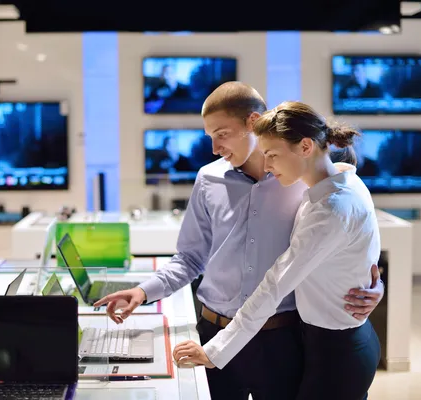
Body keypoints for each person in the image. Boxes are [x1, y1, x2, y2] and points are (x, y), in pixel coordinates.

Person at [94, 82, 384, 400]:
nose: (215, 148)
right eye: (210, 137)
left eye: (222, 134)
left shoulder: (303, 178)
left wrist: (369, 284)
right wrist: (142, 291)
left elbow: (342, 234)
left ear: (252, 122)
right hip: (213, 328)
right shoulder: (208, 178)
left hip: (282, 339)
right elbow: (190, 257)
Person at [172, 101, 382, 400]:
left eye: (271, 155)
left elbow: (275, 284)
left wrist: (214, 352)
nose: (267, 165)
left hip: (337, 350)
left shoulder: (332, 209)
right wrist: (374, 285)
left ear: (306, 146)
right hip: (324, 338)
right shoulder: (340, 180)